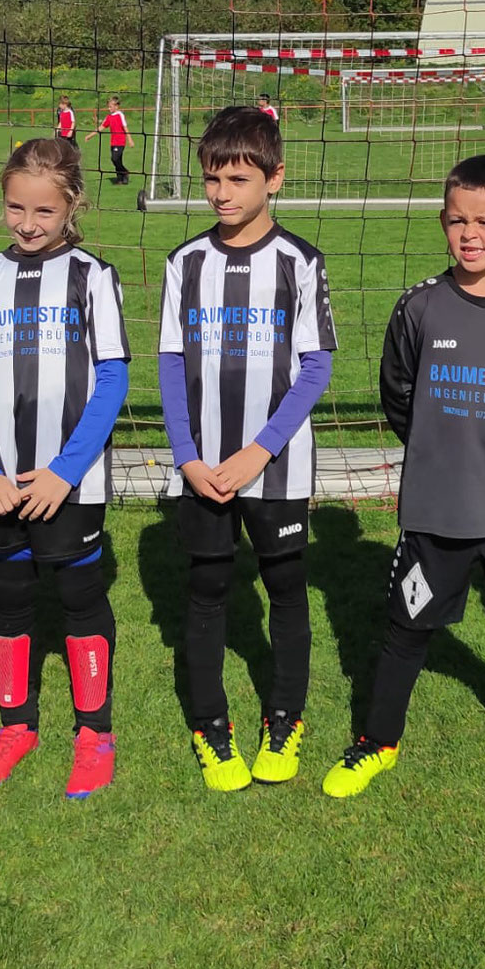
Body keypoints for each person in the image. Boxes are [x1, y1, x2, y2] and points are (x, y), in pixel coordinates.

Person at [324, 155, 485, 799]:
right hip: (435, 505)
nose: (470, 234)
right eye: (457, 220)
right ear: (442, 221)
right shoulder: (419, 307)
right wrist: (439, 450)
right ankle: (377, 741)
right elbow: (398, 396)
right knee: (407, 629)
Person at [0, 138, 131, 798]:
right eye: (15, 207)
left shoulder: (92, 277)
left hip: (67, 481)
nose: (26, 222)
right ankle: (16, 726)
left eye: (43, 211)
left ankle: (94, 732)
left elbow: (111, 379)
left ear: (71, 204)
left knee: (80, 597)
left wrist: (65, 470)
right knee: (11, 597)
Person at [158, 106, 336, 790]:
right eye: (212, 178)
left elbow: (315, 369)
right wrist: (187, 457)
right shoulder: (187, 262)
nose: (222, 192)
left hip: (276, 464)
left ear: (275, 177)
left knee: (286, 593)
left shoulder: (300, 261)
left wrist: (260, 450)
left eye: (237, 177)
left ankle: (284, 720)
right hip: (202, 467)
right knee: (205, 591)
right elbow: (171, 364)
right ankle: (210, 727)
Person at [86, 96, 132, 185]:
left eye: (110, 107)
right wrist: (90, 135)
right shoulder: (109, 117)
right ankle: (120, 178)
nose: (109, 108)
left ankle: (124, 172)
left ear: (116, 106)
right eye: (108, 106)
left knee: (114, 159)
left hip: (121, 141)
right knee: (118, 160)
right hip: (113, 142)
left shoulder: (120, 115)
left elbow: (125, 128)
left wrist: (130, 139)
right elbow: (101, 127)